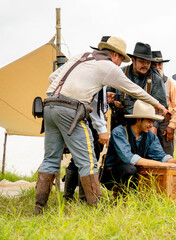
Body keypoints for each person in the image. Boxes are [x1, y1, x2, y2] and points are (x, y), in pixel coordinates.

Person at [33, 36, 167, 214]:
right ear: (114, 54)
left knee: (51, 159)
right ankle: (97, 207)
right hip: (71, 110)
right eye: (120, 58)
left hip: (49, 104)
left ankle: (38, 208)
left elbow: (52, 77)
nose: (119, 63)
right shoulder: (108, 66)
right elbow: (133, 89)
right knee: (88, 161)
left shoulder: (81, 56)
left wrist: (77, 89)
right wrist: (157, 105)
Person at [100, 100, 176, 197]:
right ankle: (119, 196)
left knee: (146, 169)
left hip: (135, 172)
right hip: (112, 173)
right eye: (149, 121)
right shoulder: (119, 132)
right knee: (130, 169)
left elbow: (161, 156)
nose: (151, 125)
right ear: (138, 119)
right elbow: (128, 158)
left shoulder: (150, 136)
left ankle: (138, 196)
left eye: (152, 122)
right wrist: (164, 165)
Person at [62, 87, 113, 202]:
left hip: (86, 119)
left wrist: (104, 99)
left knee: (78, 159)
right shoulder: (98, 73)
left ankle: (69, 197)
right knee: (88, 158)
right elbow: (95, 108)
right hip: (89, 120)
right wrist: (101, 129)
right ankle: (84, 198)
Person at [107, 42, 168, 134]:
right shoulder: (119, 73)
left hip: (145, 125)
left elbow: (162, 106)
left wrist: (153, 125)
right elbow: (107, 96)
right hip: (121, 124)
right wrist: (114, 103)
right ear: (133, 60)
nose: (145, 65)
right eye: (141, 61)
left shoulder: (156, 79)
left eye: (148, 62)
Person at [151, 51, 176, 155]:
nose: (157, 67)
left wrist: (171, 126)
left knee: (167, 153)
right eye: (154, 65)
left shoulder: (169, 82)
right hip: (148, 121)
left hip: (165, 122)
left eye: (159, 64)